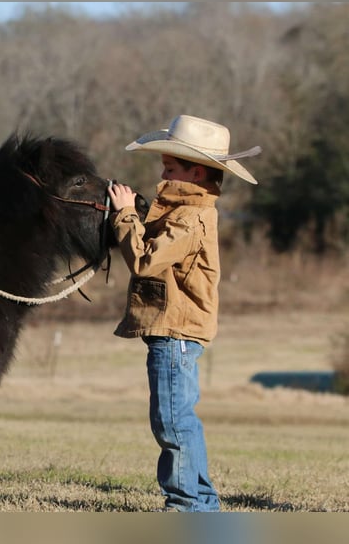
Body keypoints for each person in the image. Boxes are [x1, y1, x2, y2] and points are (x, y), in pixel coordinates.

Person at [107, 114, 260, 512]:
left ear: (194, 171)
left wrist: (124, 214)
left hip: (176, 331)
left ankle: (186, 505)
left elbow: (144, 261)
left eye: (171, 167)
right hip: (173, 330)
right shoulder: (182, 212)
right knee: (179, 419)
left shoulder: (190, 218)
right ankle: (202, 502)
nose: (162, 172)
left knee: (173, 422)